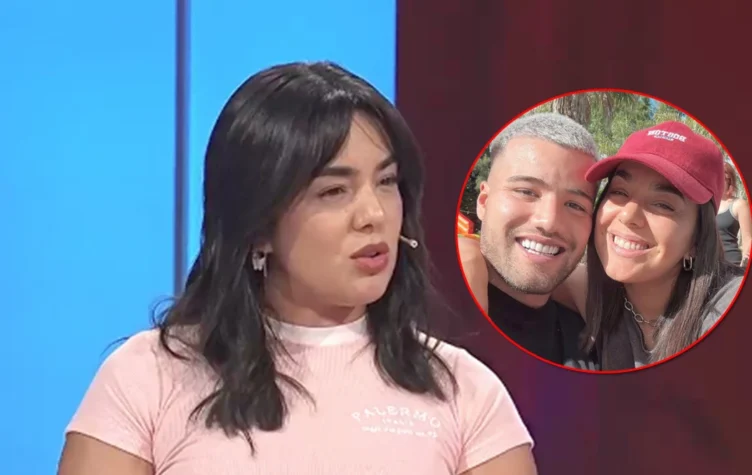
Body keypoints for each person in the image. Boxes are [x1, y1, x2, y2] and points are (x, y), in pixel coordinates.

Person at [58, 62, 536, 475]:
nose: (374, 214)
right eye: (334, 191)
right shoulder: (148, 378)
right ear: (258, 226)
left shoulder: (465, 392)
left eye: (387, 181)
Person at [460, 120, 745, 370]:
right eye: (620, 191)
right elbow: (529, 265)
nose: (629, 215)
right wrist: (467, 253)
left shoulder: (726, 307)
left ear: (697, 239)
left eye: (663, 205)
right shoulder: (598, 295)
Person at [458, 112, 600, 369]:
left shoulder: (595, 348)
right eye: (526, 192)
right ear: (484, 202)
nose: (549, 222)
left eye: (575, 205)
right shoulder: (423, 315)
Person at [716, 161, 751, 266]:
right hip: (707, 265)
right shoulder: (706, 204)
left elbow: (748, 239)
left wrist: (744, 264)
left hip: (731, 265)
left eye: (720, 178)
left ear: (729, 180)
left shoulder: (739, 205)